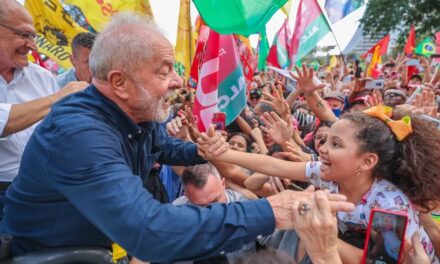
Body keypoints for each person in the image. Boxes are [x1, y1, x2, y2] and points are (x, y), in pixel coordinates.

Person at [0, 13, 354, 262]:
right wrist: (270, 210)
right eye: (164, 71)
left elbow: (163, 147)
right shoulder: (79, 134)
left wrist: (200, 149)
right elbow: (150, 231)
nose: (177, 82)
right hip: (42, 254)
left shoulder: (137, 114)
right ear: (120, 82)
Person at [198, 65, 440, 263]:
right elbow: (274, 166)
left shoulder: (389, 204)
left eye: (336, 144)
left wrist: (318, 234)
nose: (321, 148)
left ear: (367, 161)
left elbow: (374, 261)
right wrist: (224, 152)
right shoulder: (328, 173)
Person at [0, 0, 87, 219]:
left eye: (33, 36)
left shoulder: (41, 77)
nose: (33, 46)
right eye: (24, 35)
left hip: (41, 194)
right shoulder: (57, 90)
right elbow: (4, 122)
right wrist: (58, 98)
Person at [173, 164, 252, 263]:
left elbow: (273, 240)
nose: (213, 211)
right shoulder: (176, 215)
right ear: (186, 196)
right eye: (202, 206)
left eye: (216, 200)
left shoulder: (245, 207)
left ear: (223, 184)